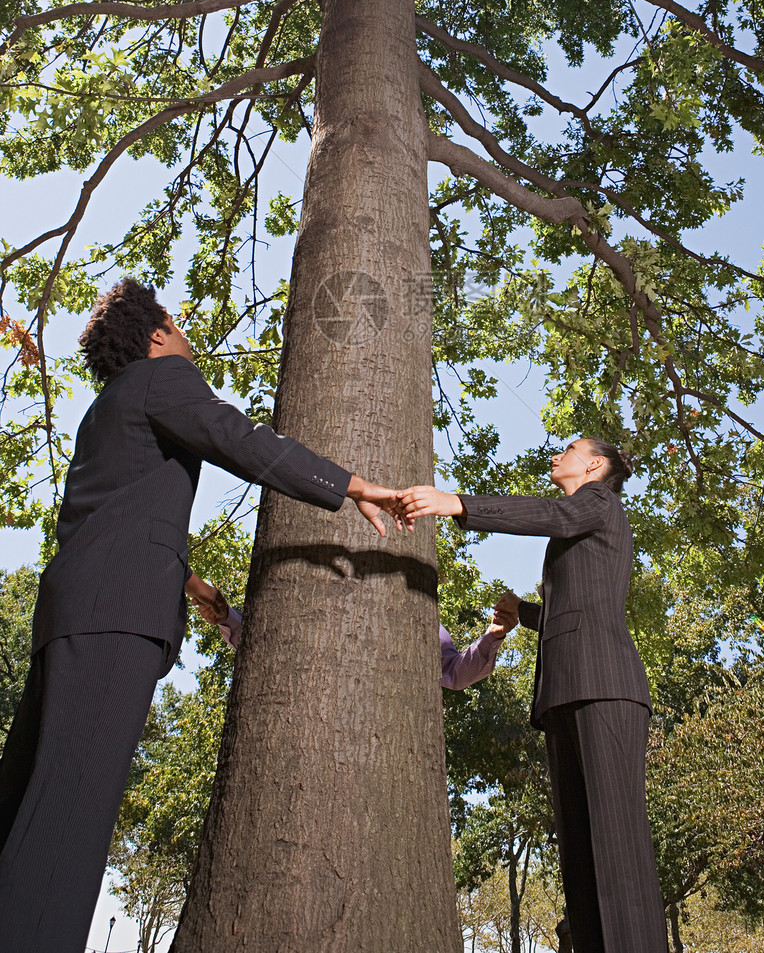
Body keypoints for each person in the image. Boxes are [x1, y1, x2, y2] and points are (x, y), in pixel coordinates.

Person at [0, 278, 406, 953]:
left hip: (72, 610)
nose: (185, 335)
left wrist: (185, 581)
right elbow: (238, 437)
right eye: (176, 322)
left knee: (25, 808)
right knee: (68, 820)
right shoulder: (165, 378)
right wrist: (354, 484)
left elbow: (114, 512)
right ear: (156, 333)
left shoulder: (102, 411)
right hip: (116, 618)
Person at [398, 439, 667, 953]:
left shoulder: (597, 502)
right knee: (581, 852)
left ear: (594, 465)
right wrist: (524, 612)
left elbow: (554, 516)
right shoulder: (587, 520)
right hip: (565, 691)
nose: (555, 455)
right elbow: (578, 608)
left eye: (569, 448)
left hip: (605, 687)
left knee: (617, 845)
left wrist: (457, 503)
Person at [187, 578, 520, 689]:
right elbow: (270, 645)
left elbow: (452, 673)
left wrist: (492, 636)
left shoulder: (421, 624)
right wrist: (226, 617)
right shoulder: (311, 589)